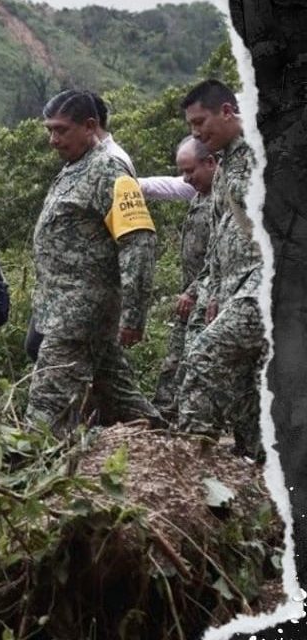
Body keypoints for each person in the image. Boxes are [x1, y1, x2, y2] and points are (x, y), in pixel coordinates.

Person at [25, 90, 162, 434]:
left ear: (89, 126)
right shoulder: (75, 166)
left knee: (46, 407)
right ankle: (168, 440)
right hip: (63, 309)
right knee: (118, 395)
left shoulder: (109, 169)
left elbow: (138, 242)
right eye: (49, 130)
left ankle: (29, 457)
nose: (53, 140)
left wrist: (134, 314)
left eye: (61, 130)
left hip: (80, 315)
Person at [176, 79, 265, 460]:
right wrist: (214, 291)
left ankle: (191, 459)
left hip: (266, 284)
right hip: (235, 286)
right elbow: (221, 234)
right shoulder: (226, 162)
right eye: (191, 126)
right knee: (247, 388)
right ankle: (259, 469)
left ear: (227, 112)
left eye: (201, 122)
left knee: (205, 354)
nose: (196, 133)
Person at [150, 136, 218, 417]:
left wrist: (194, 291)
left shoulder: (225, 199)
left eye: (191, 171)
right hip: (190, 297)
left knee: (197, 363)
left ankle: (197, 425)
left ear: (211, 163)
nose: (186, 179)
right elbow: (164, 186)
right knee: (174, 362)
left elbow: (220, 256)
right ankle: (165, 417)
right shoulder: (199, 193)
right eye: (183, 172)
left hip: (210, 296)